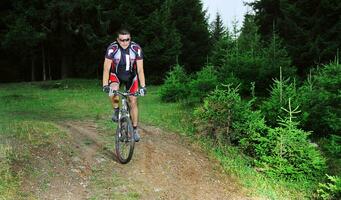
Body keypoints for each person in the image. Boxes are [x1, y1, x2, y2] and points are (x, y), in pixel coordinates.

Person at [102, 28, 146, 142]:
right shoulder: (112, 49)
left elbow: (140, 69)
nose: (124, 42)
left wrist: (143, 86)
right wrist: (105, 84)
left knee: (133, 100)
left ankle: (135, 130)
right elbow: (106, 68)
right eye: (121, 40)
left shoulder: (136, 49)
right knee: (113, 90)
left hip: (131, 77)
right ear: (117, 39)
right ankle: (116, 110)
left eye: (127, 40)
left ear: (130, 39)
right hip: (116, 75)